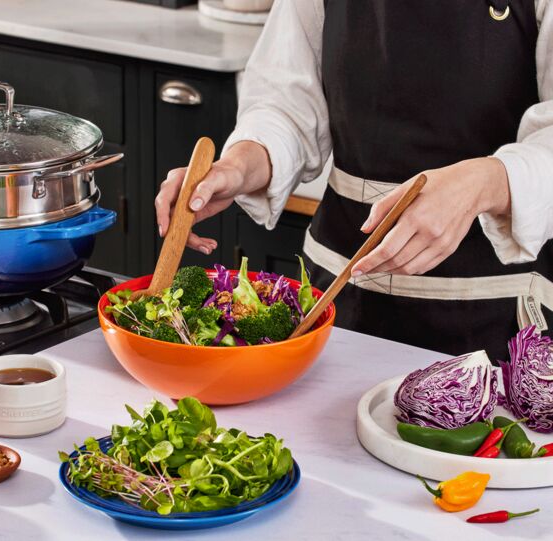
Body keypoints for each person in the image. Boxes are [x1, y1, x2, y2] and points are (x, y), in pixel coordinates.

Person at [154, 0, 553, 360]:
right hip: (335, 298)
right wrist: (239, 165)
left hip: (494, 313)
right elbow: (286, 101)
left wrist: (482, 182)